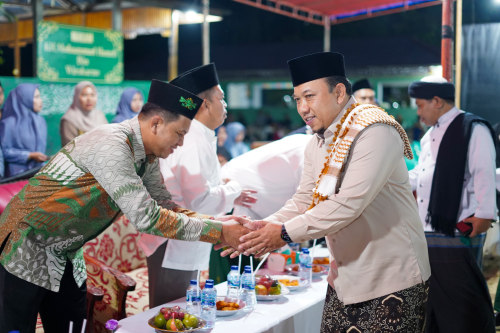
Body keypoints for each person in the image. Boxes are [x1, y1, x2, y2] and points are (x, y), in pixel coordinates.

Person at [0, 79, 249, 333]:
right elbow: (147, 218)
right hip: (26, 245)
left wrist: (217, 224)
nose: (181, 144)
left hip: (66, 251)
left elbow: (164, 205)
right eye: (180, 133)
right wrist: (218, 232)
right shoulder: (113, 145)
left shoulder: (147, 157)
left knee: (74, 327)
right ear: (156, 124)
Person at [233, 52, 431, 332]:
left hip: (391, 277)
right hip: (345, 277)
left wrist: (283, 233)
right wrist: (262, 227)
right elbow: (305, 199)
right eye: (298, 99)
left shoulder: (374, 130)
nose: (302, 108)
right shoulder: (318, 141)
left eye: (310, 96)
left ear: (339, 92)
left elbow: (348, 204)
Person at [140, 63, 257, 307]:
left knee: (183, 308)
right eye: (221, 98)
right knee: (170, 313)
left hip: (187, 234)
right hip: (173, 240)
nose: (226, 106)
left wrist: (225, 189)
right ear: (205, 104)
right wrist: (233, 189)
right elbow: (199, 200)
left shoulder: (200, 135)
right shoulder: (192, 137)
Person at [408, 76, 496, 332]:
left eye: (421, 104)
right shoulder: (429, 136)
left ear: (437, 101)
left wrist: (484, 216)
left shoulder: (473, 128)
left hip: (458, 232)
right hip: (429, 233)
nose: (418, 111)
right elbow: (420, 176)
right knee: (436, 306)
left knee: (462, 305)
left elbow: (484, 174)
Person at [221, 133, 311, 220]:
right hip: (239, 195)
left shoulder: (303, 140)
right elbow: (305, 203)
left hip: (233, 187)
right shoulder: (309, 151)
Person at [0, 83, 48, 178]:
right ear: (25, 99)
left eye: (39, 96)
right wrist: (29, 155)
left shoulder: (40, 121)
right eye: (36, 97)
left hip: (37, 173)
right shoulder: (8, 123)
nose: (40, 101)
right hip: (16, 176)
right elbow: (5, 151)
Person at [60, 81, 108, 146]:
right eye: (84, 95)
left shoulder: (100, 116)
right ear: (76, 97)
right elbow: (69, 149)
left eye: (92, 95)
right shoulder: (69, 120)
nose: (89, 99)